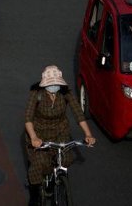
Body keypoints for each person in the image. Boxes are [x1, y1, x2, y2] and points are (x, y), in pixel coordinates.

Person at [24, 65, 96, 206]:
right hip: (39, 133)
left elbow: (78, 114)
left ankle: (57, 179)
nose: (54, 87)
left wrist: (88, 134)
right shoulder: (36, 94)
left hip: (60, 131)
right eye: (51, 84)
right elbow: (28, 118)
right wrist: (33, 137)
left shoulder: (65, 93)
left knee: (65, 158)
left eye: (56, 84)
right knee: (38, 164)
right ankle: (34, 196)